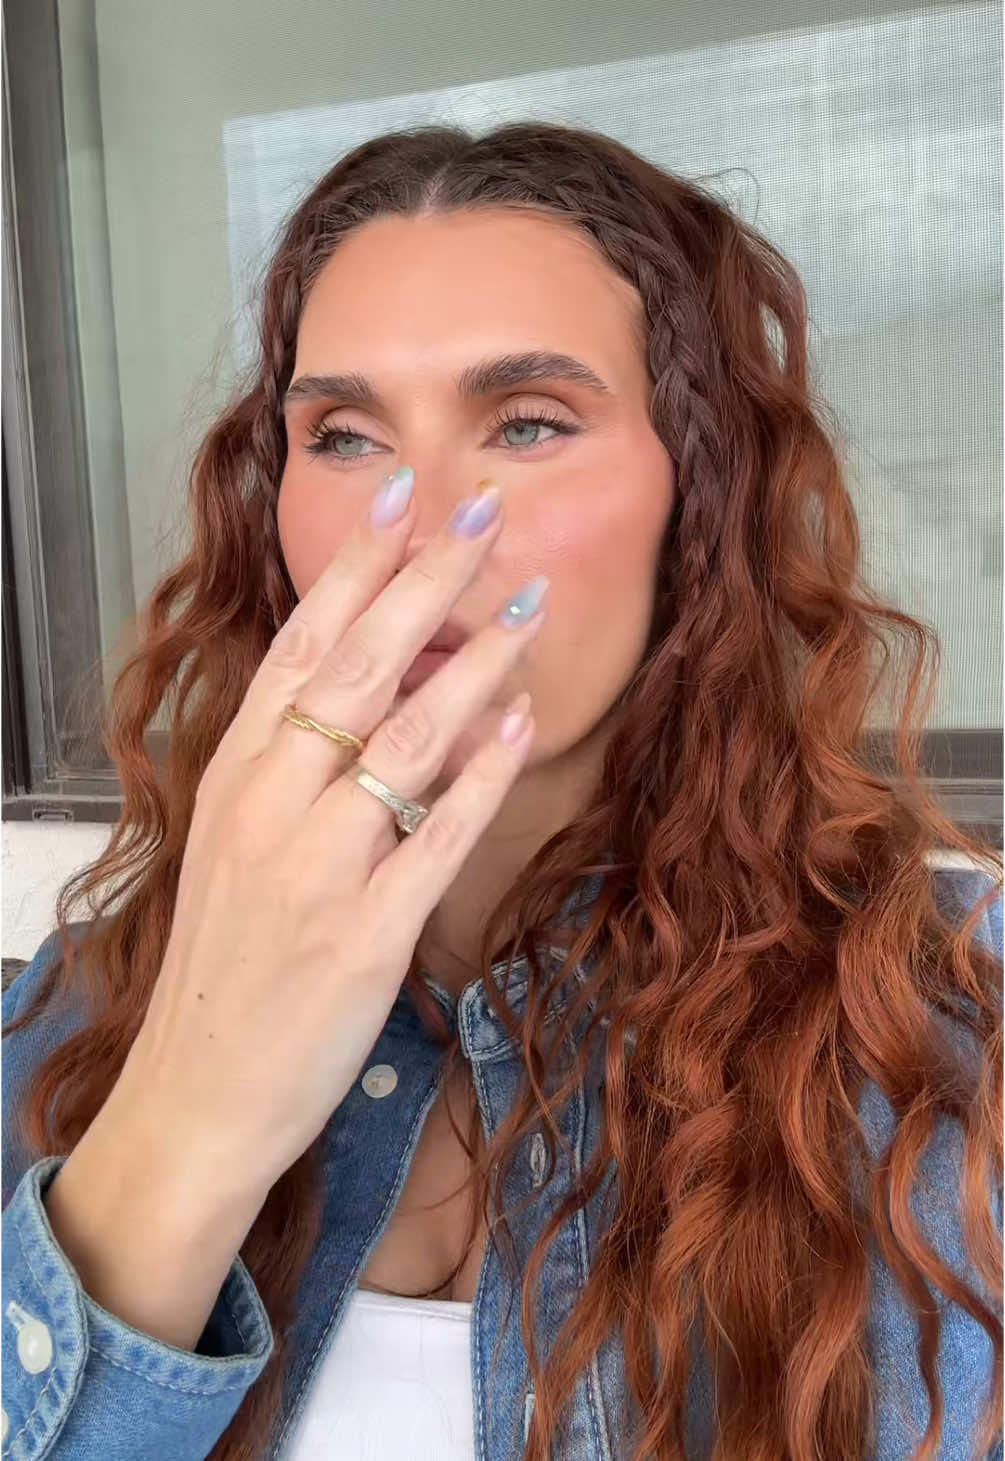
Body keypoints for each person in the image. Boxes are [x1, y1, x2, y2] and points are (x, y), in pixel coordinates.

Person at [1, 120, 1001, 1461]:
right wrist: (186, 1112)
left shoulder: (948, 1039)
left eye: (527, 423)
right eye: (343, 436)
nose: (415, 523)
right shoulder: (65, 1018)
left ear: (700, 498)